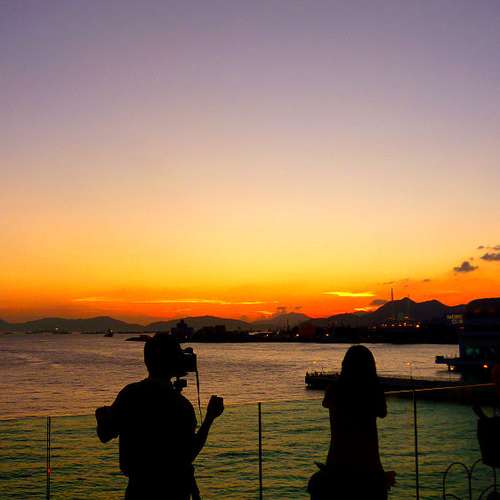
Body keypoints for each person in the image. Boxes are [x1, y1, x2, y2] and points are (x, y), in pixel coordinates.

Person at [95, 334, 224, 499]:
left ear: (147, 361)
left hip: (138, 490)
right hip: (174, 490)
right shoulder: (180, 405)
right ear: (173, 361)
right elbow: (188, 454)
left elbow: (104, 434)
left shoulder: (130, 394)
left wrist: (101, 416)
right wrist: (209, 418)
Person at [308, 345, 393, 499]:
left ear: (345, 365)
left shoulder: (335, 389)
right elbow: (382, 412)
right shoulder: (372, 391)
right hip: (368, 465)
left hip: (337, 464)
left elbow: (326, 403)